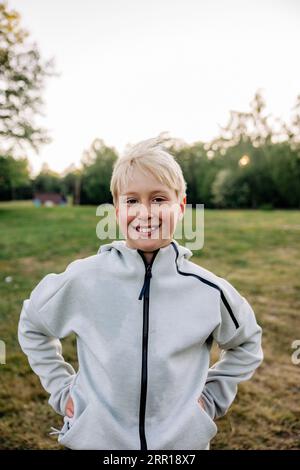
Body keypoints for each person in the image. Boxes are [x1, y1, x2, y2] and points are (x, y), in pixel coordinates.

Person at [18, 135, 263, 450]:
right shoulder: (84, 278)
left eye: (159, 199)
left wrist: (211, 398)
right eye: (132, 200)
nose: (145, 212)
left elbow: (247, 342)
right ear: (117, 209)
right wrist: (62, 389)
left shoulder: (208, 290)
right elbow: (33, 325)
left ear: (182, 206)